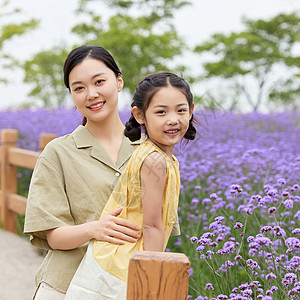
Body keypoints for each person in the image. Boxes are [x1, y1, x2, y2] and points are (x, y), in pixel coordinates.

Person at [23, 45, 180, 299]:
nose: (91, 94)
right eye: (79, 88)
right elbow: (53, 236)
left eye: (99, 81)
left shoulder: (151, 154)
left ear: (118, 81)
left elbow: (159, 229)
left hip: (128, 288)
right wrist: (94, 229)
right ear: (72, 94)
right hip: (65, 286)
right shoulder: (58, 153)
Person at [65, 72, 196, 299]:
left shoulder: (162, 157)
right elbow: (152, 226)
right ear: (140, 115)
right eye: (161, 112)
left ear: (191, 110)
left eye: (181, 110)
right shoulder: (154, 160)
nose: (173, 119)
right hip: (121, 268)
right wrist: (155, 282)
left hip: (117, 262)